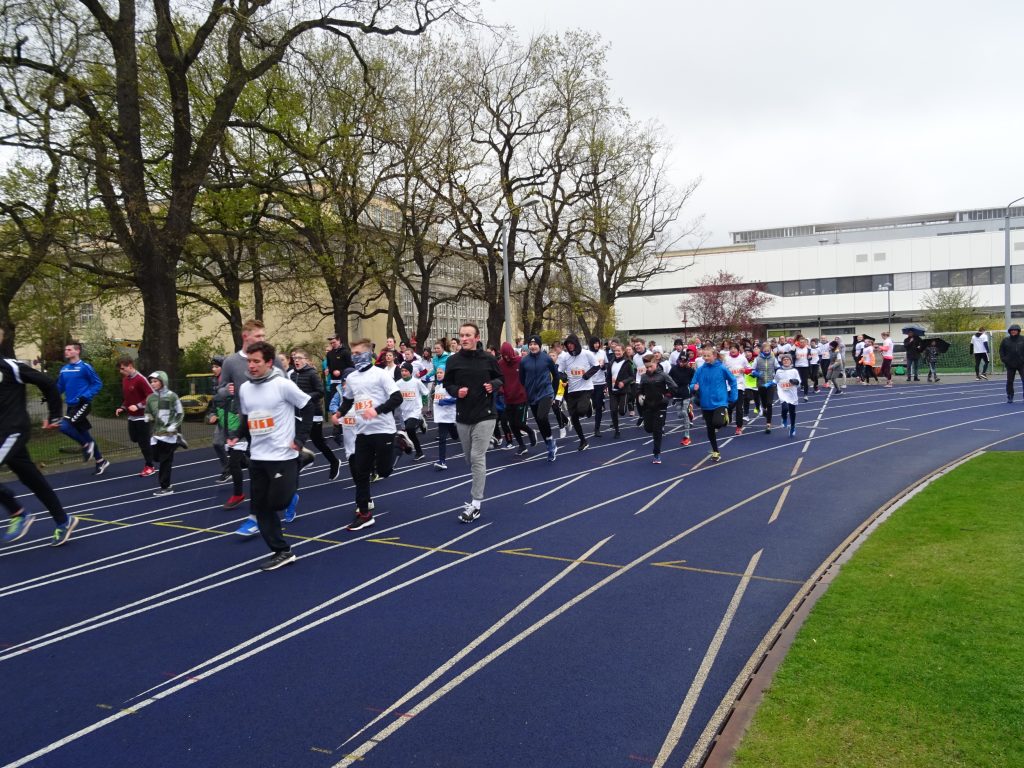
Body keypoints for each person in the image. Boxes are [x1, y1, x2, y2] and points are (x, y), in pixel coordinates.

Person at [231, 341, 314, 571]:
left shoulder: (282, 385)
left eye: (256, 361)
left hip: (283, 454)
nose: (252, 365)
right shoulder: (246, 388)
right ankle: (282, 551)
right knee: (261, 507)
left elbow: (308, 407)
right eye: (249, 361)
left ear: (269, 362)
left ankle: (301, 460)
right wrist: (237, 436)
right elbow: (248, 418)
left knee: (278, 502)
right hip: (258, 457)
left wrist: (300, 440)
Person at [0, 339, 77, 546]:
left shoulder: (11, 367)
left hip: (12, 431)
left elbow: (47, 383)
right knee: (32, 479)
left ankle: (17, 513)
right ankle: (64, 520)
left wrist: (54, 415)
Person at [337, 339, 403, 530]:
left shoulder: (380, 375)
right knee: (360, 472)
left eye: (358, 353)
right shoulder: (351, 378)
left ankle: (398, 445)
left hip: (383, 429)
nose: (354, 356)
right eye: (352, 353)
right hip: (363, 431)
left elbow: (396, 397)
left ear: (368, 354)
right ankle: (364, 513)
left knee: (384, 472)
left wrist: (377, 410)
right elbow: (348, 400)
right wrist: (339, 413)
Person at [442, 323, 503, 522]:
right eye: (461, 335)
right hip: (463, 416)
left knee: (477, 458)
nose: (464, 339)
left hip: (485, 414)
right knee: (469, 458)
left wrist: (492, 385)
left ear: (477, 338)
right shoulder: (453, 361)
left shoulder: (488, 358)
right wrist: (455, 391)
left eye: (468, 335)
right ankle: (489, 441)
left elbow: (500, 378)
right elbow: (447, 384)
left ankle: (475, 504)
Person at [56, 341, 109, 475]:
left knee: (64, 426)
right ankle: (100, 461)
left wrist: (87, 395)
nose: (66, 351)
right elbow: (59, 387)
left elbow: (97, 384)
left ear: (77, 351)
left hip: (82, 404)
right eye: (65, 350)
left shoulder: (85, 367)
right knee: (85, 434)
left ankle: (86, 446)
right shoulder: (64, 369)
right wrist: (49, 396)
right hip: (71, 406)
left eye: (69, 349)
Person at [289, 347, 341, 479]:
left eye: (299, 358)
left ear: (306, 360)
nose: (296, 361)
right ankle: (298, 463)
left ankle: (334, 462)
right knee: (295, 439)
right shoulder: (293, 375)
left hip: (314, 412)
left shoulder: (312, 373)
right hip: (299, 413)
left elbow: (320, 392)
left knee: (318, 442)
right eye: (295, 358)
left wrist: (305, 397)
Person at [690, 345, 738, 463]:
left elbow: (733, 381)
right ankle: (716, 451)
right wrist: (693, 387)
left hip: (720, 402)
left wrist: (733, 396)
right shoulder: (700, 370)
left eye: (708, 355)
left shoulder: (722, 368)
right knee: (710, 428)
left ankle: (726, 416)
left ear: (714, 356)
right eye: (704, 355)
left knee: (718, 423)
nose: (706, 358)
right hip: (705, 403)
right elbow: (692, 384)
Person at [144, 371, 184, 496]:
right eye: (151, 382)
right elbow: (147, 411)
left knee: (165, 461)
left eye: (155, 381)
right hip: (156, 433)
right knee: (155, 457)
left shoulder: (172, 396)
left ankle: (165, 487)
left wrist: (174, 426)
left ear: (163, 381)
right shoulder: (150, 398)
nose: (153, 384)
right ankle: (178, 441)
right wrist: (148, 416)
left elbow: (180, 413)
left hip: (169, 434)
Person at [557, 334, 599, 451]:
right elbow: (559, 371)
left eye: (571, 344)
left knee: (581, 411)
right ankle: (583, 440)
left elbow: (596, 366)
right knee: (574, 417)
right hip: (572, 390)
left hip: (585, 388)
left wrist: (587, 375)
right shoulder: (565, 357)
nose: (569, 346)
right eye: (567, 344)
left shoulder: (586, 354)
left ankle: (589, 405)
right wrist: (564, 377)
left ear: (576, 343)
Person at [115, 355, 156, 476]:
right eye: (120, 369)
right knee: (134, 438)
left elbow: (151, 396)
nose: (121, 371)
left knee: (143, 443)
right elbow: (128, 398)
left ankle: (150, 466)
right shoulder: (125, 380)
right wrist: (122, 407)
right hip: (131, 416)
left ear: (130, 366)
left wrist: (138, 406)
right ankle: (152, 445)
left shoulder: (140, 379)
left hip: (143, 416)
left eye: (123, 368)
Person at [519, 334, 559, 460]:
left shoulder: (547, 359)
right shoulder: (524, 361)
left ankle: (551, 442)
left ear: (540, 346)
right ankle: (549, 443)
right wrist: (528, 388)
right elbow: (521, 379)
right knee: (539, 421)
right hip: (532, 395)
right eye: (531, 344)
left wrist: (553, 392)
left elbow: (556, 376)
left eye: (535, 344)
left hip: (546, 393)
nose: (533, 346)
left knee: (542, 417)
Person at [638, 353, 677, 463]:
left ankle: (656, 454)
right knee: (648, 429)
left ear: (656, 363)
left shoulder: (663, 375)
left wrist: (667, 397)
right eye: (647, 367)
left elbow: (674, 387)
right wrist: (640, 396)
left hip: (660, 406)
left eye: (651, 366)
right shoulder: (644, 377)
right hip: (648, 406)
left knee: (657, 430)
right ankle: (656, 452)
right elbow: (640, 389)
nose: (649, 369)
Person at [497, 342, 535, 455]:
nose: (506, 357)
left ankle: (530, 431)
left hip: (521, 398)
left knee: (520, 423)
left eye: (507, 354)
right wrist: (500, 389)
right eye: (504, 355)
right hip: (508, 399)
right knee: (512, 424)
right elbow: (498, 379)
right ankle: (522, 446)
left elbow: (530, 375)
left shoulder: (520, 361)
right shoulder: (500, 364)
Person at [395, 362, 428, 461]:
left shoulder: (416, 382)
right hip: (404, 411)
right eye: (402, 371)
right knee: (411, 433)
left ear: (410, 372)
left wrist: (422, 404)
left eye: (406, 371)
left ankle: (419, 420)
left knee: (409, 428)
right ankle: (419, 452)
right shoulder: (398, 383)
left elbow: (425, 393)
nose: (404, 373)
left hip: (415, 409)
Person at [429, 367, 459, 470]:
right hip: (441, 417)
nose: (439, 374)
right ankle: (442, 461)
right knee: (442, 439)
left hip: (449, 415)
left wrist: (443, 402)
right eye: (437, 373)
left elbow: (456, 398)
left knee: (454, 436)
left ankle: (459, 435)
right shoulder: (437, 386)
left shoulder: (450, 386)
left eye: (441, 372)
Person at [607, 340, 636, 439]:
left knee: (622, 411)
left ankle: (627, 406)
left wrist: (623, 382)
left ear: (623, 351)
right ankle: (617, 430)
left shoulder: (627, 363)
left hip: (623, 391)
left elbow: (632, 377)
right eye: (615, 351)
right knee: (613, 410)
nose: (617, 352)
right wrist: (606, 387)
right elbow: (608, 377)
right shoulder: (611, 363)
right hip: (613, 391)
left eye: (619, 351)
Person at [669, 348, 695, 447]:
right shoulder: (674, 368)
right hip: (676, 393)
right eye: (680, 360)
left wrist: (694, 388)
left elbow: (695, 380)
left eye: (684, 361)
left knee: (684, 412)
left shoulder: (690, 370)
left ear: (688, 361)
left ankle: (687, 436)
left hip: (686, 392)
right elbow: (669, 379)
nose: (681, 363)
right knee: (680, 414)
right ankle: (690, 412)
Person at [775, 354, 801, 438]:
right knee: (785, 407)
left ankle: (793, 427)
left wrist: (795, 381)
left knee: (792, 412)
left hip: (792, 394)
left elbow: (799, 382)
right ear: (782, 362)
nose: (786, 361)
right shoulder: (779, 371)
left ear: (791, 361)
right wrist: (769, 384)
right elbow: (775, 380)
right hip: (783, 393)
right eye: (784, 360)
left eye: (787, 359)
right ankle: (784, 417)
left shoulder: (794, 371)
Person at [753, 344, 778, 433]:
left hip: (770, 384)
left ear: (770, 350)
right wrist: (756, 374)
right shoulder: (757, 359)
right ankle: (763, 409)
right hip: (761, 384)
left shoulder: (773, 359)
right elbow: (752, 370)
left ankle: (768, 424)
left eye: (768, 350)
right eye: (765, 350)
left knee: (769, 403)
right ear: (762, 350)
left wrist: (776, 378)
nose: (767, 352)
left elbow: (778, 368)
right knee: (764, 403)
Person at [588, 336, 608, 438]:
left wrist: (603, 367)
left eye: (598, 343)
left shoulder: (602, 353)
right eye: (594, 343)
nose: (596, 345)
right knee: (593, 405)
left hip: (600, 382)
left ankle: (597, 428)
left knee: (599, 407)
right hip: (590, 383)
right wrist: (595, 368)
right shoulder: (587, 353)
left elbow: (607, 365)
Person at [999, 324, 1024, 403]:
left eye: (1015, 330)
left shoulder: (1023, 339)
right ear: (1009, 332)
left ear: (1018, 331)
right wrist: (1004, 359)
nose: (1013, 331)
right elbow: (1001, 351)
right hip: (1010, 364)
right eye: (1012, 330)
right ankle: (1010, 396)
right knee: (1010, 381)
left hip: (1022, 364)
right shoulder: (1005, 340)